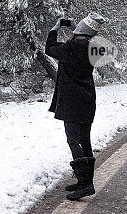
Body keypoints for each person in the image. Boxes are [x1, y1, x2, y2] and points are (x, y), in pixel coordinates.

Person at [45, 13, 106, 200]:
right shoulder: (96, 49)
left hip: (71, 101)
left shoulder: (70, 47)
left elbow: (50, 49)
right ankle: (84, 181)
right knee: (84, 139)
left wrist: (55, 29)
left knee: (74, 140)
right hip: (87, 99)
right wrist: (76, 30)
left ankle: (86, 184)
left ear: (80, 30)